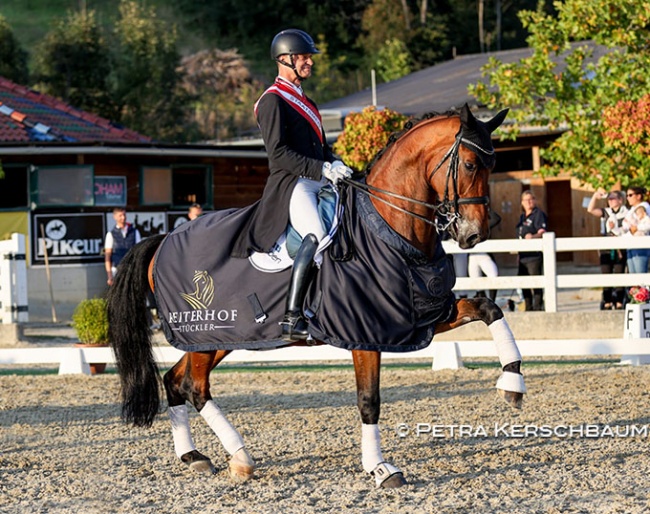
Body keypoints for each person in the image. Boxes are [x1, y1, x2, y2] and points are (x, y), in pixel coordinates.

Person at [230, 28, 352, 342]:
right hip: (293, 184)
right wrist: (322, 167)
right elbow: (279, 155)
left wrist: (334, 160)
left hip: (318, 178)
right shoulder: (272, 101)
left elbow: (319, 146)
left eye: (309, 57)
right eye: (305, 57)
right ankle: (293, 318)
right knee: (317, 236)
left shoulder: (306, 100)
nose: (310, 62)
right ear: (286, 59)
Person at [586, 189, 628, 309]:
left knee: (619, 272)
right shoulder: (606, 212)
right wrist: (595, 196)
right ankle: (607, 300)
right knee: (606, 272)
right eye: (609, 198)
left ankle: (619, 300)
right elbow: (590, 210)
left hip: (620, 247)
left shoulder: (626, 213)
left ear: (620, 200)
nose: (610, 201)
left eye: (613, 198)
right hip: (606, 247)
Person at [516, 191, 548, 311]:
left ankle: (537, 306)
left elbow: (542, 231)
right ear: (522, 203)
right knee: (523, 282)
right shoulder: (522, 217)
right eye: (526, 200)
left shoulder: (538, 214)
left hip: (534, 255)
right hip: (523, 255)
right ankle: (528, 306)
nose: (529, 202)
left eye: (531, 199)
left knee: (536, 282)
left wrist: (532, 237)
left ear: (534, 200)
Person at [104, 207, 141, 286]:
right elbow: (107, 256)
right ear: (115, 217)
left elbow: (139, 252)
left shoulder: (135, 232)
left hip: (132, 269)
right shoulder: (110, 234)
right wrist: (109, 275)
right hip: (117, 269)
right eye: (120, 215)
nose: (123, 217)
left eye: (124, 215)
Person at [622, 186, 650, 274]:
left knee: (640, 275)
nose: (628, 198)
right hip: (630, 243)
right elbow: (625, 225)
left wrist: (636, 228)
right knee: (633, 276)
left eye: (630, 195)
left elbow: (647, 224)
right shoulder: (632, 209)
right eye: (627, 195)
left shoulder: (643, 207)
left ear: (638, 196)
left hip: (640, 244)